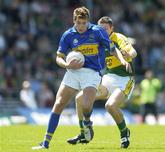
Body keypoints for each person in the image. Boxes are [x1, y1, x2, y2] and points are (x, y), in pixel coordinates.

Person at [32, 7, 130, 150]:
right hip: (73, 72)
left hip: (92, 73)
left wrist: (122, 60)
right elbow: (59, 57)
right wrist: (66, 64)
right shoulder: (68, 35)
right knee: (59, 103)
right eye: (78, 23)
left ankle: (87, 124)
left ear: (88, 21)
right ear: (74, 21)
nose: (81, 26)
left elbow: (112, 48)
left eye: (84, 23)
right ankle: (45, 143)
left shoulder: (98, 31)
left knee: (86, 106)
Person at [67, 16, 137, 148]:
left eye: (106, 28)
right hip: (108, 77)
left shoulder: (118, 38)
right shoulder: (98, 40)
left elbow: (133, 51)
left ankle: (124, 132)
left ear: (112, 28)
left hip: (125, 79)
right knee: (79, 98)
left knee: (110, 106)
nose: (103, 31)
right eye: (101, 28)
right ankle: (84, 132)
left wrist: (129, 55)